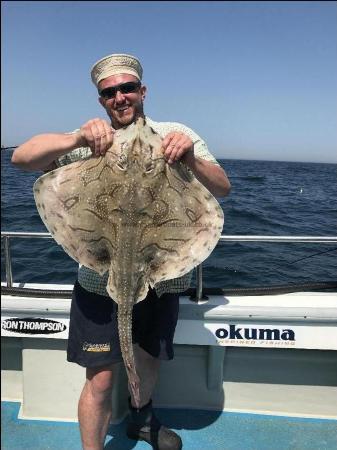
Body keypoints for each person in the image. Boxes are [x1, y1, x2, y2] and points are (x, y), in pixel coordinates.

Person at [12, 53, 231, 450]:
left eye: (127, 88)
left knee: (147, 359)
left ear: (142, 91)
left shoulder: (175, 133)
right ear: (102, 101)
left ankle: (141, 421)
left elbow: (222, 189)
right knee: (101, 378)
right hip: (99, 280)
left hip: (160, 276)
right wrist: (78, 138)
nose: (120, 97)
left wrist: (189, 157)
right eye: (109, 92)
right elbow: (21, 159)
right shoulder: (91, 138)